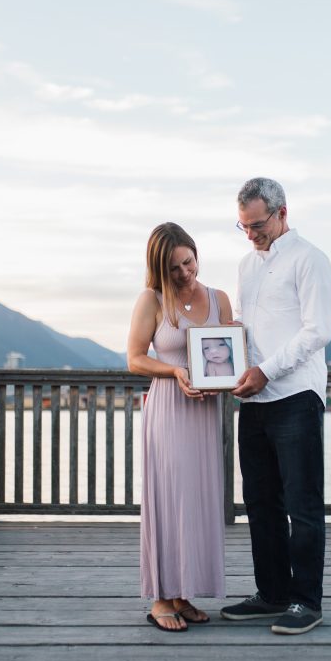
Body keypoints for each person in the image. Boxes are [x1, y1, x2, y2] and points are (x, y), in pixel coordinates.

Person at [220, 177, 331, 635]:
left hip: (296, 396)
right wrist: (228, 359)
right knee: (260, 501)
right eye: (243, 226)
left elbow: (317, 332)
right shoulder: (247, 266)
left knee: (302, 504)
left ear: (282, 212)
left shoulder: (311, 260)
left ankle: (306, 601)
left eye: (257, 224)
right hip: (254, 398)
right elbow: (247, 329)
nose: (251, 234)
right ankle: (271, 594)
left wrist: (266, 370)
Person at [127, 222, 233, 632]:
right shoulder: (151, 300)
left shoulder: (219, 299)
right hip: (170, 408)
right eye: (173, 268)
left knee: (196, 501)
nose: (184, 273)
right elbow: (135, 359)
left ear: (196, 254)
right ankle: (160, 599)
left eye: (187, 262)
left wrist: (227, 375)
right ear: (159, 269)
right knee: (168, 499)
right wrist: (175, 371)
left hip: (205, 414)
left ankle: (183, 593)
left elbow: (229, 353)